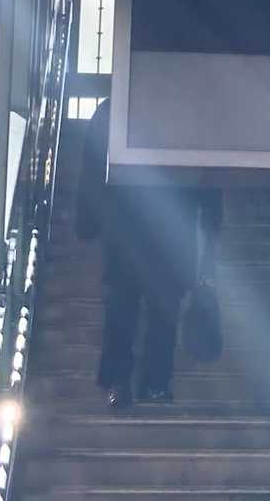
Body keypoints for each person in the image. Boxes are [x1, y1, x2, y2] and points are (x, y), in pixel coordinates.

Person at [76, 98, 222, 409]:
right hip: (170, 228)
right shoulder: (189, 109)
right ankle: (155, 383)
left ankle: (121, 381)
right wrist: (211, 227)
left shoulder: (114, 106)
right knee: (161, 309)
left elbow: (92, 167)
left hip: (127, 224)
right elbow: (208, 177)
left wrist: (87, 220)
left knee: (124, 307)